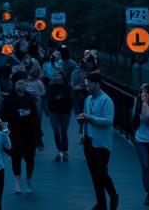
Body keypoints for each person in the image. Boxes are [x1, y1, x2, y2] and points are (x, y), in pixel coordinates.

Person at [77, 72, 119, 210]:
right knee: (94, 175)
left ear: (96, 83)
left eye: (89, 83)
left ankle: (113, 195)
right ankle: (101, 203)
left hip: (101, 143)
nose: (87, 86)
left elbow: (108, 122)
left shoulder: (107, 101)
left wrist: (89, 118)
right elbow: (86, 116)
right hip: (89, 141)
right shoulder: (88, 99)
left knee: (101, 172)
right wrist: (83, 130)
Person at [0, 75, 39, 194]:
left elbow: (35, 115)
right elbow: (3, 115)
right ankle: (17, 182)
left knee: (30, 157)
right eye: (18, 84)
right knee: (16, 156)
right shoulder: (9, 98)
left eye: (22, 84)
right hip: (15, 131)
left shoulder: (29, 98)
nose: (20, 86)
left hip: (29, 131)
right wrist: (16, 115)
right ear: (15, 85)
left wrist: (38, 134)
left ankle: (28, 180)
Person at [46, 68, 73, 162]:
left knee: (64, 130)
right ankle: (59, 150)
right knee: (56, 130)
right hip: (54, 111)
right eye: (55, 75)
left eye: (58, 75)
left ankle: (65, 150)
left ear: (62, 76)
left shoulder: (68, 86)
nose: (56, 76)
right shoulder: (51, 86)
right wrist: (58, 99)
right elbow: (49, 98)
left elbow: (69, 99)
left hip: (65, 111)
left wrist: (60, 98)